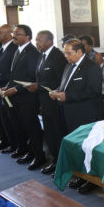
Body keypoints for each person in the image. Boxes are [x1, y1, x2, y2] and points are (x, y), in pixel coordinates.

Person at [50, 39, 103, 194]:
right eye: (65, 53)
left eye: (69, 53)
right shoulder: (69, 65)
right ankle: (81, 175)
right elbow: (65, 86)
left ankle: (91, 180)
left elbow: (94, 90)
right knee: (76, 147)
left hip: (86, 114)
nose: (66, 56)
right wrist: (56, 91)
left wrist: (67, 96)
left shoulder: (91, 67)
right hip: (70, 113)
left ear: (80, 52)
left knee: (87, 147)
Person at [0, 25, 45, 170]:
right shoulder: (18, 50)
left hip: (27, 98)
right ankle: (29, 152)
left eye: (18, 34)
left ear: (27, 37)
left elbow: (32, 78)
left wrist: (16, 89)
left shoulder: (32, 52)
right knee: (22, 126)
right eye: (14, 33)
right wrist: (7, 86)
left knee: (32, 127)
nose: (14, 36)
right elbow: (15, 75)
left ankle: (39, 156)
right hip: (16, 97)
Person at [28, 30, 67, 175]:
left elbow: (61, 80)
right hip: (44, 102)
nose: (36, 42)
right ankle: (54, 160)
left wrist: (40, 85)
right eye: (36, 39)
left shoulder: (57, 56)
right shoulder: (41, 55)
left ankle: (61, 163)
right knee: (49, 133)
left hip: (54, 103)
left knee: (57, 133)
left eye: (39, 40)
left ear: (49, 41)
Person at [0, 25, 17, 154]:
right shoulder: (1, 49)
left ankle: (18, 146)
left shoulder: (14, 49)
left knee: (13, 121)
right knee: (4, 120)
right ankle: (11, 143)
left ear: (10, 33)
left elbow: (14, 72)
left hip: (9, 90)